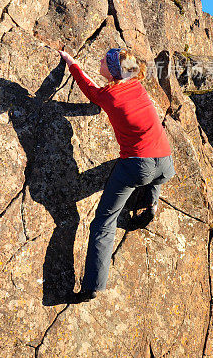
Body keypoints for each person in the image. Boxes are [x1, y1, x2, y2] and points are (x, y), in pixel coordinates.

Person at [57, 45, 175, 301]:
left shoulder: (109, 97)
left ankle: (92, 286)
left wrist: (70, 62)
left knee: (103, 223)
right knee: (154, 172)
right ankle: (150, 203)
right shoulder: (137, 86)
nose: (99, 61)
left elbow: (88, 87)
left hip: (137, 166)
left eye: (104, 60)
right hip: (166, 162)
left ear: (111, 72)